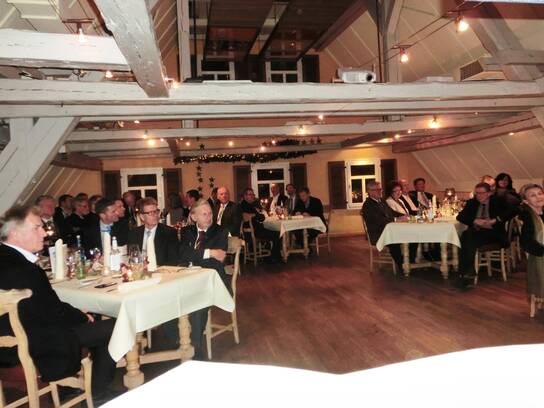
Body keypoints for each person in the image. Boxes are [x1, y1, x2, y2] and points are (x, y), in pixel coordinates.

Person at [0, 205, 117, 404]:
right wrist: (81, 316)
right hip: (31, 346)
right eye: (37, 228)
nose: (44, 233)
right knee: (116, 327)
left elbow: (43, 307)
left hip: (8, 343)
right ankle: (97, 393)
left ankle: (67, 388)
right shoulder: (24, 269)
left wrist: (74, 313)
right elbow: (53, 312)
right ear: (15, 233)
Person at [178, 199, 230, 359]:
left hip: (210, 282)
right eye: (204, 214)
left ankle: (196, 349)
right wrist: (210, 252)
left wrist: (194, 256)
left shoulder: (220, 231)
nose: (209, 217)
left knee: (198, 305)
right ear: (194, 217)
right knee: (167, 298)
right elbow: (182, 254)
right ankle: (176, 341)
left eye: (210, 214)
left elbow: (216, 261)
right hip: (185, 279)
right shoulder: (186, 231)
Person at [456, 182, 514, 287]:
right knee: (467, 237)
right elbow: (460, 216)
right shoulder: (472, 202)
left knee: (466, 238)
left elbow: (514, 210)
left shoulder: (497, 201)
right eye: (477, 193)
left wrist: (496, 220)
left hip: (494, 233)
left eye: (482, 193)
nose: (479, 196)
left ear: (489, 193)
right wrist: (474, 220)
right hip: (477, 233)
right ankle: (466, 273)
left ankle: (466, 273)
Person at [361, 181, 406, 271]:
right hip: (377, 234)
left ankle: (410, 261)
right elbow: (379, 220)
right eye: (376, 190)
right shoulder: (368, 205)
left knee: (409, 236)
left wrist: (403, 215)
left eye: (380, 189)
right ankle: (402, 265)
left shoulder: (381, 201)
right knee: (395, 241)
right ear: (369, 192)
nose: (379, 191)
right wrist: (396, 219)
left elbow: (391, 212)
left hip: (387, 230)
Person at [127, 197, 179, 266]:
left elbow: (173, 260)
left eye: (156, 211)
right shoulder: (134, 233)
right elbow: (132, 257)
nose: (155, 215)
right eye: (150, 213)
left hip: (160, 270)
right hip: (139, 269)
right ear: (142, 217)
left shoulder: (169, 233)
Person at [519, 184, 544, 308]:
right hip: (539, 254)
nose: (538, 197)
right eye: (533, 195)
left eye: (540, 193)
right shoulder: (527, 217)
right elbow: (526, 242)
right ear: (526, 201)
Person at [240, 188, 282, 262]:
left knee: (273, 231)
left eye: (253, 194)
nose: (252, 196)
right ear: (245, 196)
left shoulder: (246, 205)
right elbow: (261, 217)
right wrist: (256, 215)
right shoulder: (246, 206)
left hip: (250, 232)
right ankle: (274, 257)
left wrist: (255, 215)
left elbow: (260, 217)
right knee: (278, 234)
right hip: (255, 232)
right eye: (250, 194)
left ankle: (271, 255)